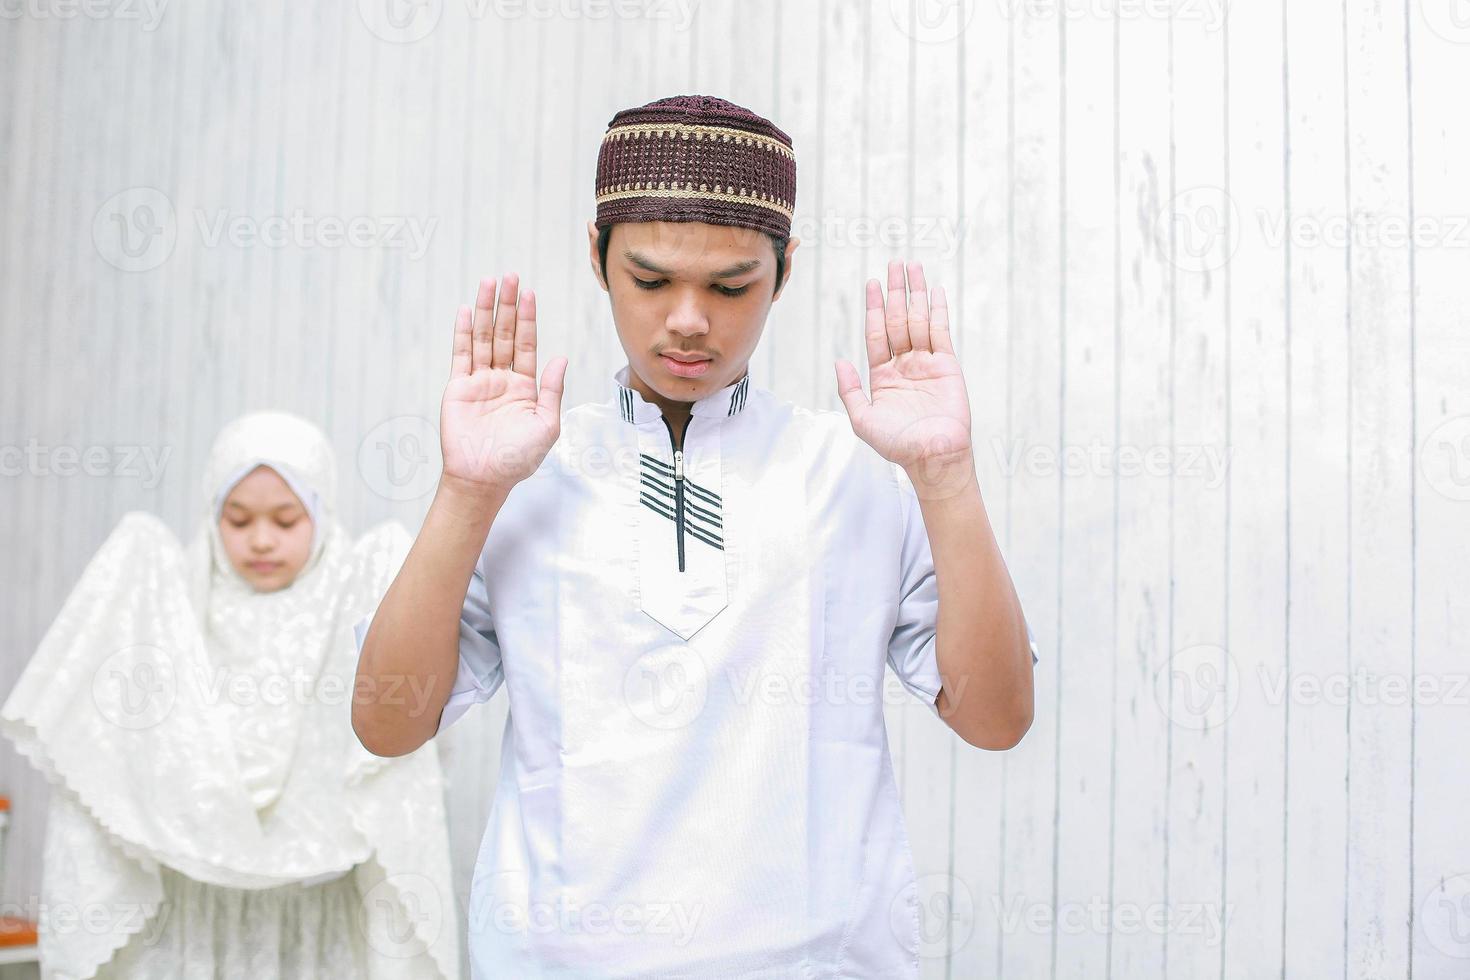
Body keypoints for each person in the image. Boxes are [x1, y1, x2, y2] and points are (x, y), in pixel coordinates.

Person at [353, 94, 1039, 978]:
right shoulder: (521, 476)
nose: (687, 318)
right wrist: (463, 493)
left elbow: (997, 720)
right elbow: (385, 727)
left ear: (784, 271)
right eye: (650, 280)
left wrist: (945, 478)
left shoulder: (860, 472)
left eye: (730, 285)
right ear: (596, 259)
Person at [2, 410, 459, 979]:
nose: (261, 540)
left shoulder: (359, 597)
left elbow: (401, 739)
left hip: (315, 909)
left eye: (286, 520)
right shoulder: (167, 600)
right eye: (237, 520)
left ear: (321, 512)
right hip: (188, 907)